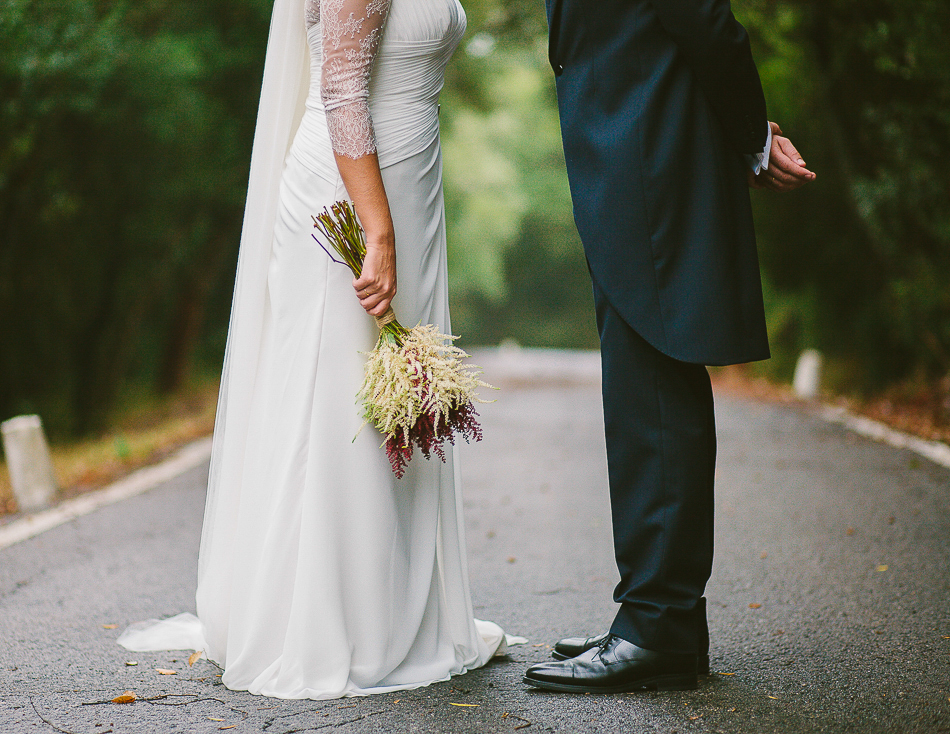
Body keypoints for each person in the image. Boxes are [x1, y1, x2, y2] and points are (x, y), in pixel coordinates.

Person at [117, 0, 512, 699]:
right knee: (335, 406)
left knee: (384, 403)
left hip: (404, 188)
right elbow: (340, 88)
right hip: (353, 196)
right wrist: (378, 229)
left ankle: (390, 612)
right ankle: (324, 626)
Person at [523, 0, 815, 693]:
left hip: (652, 152)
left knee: (652, 389)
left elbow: (706, 22)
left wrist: (749, 137)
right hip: (629, 151)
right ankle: (659, 618)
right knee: (640, 389)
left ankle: (658, 625)